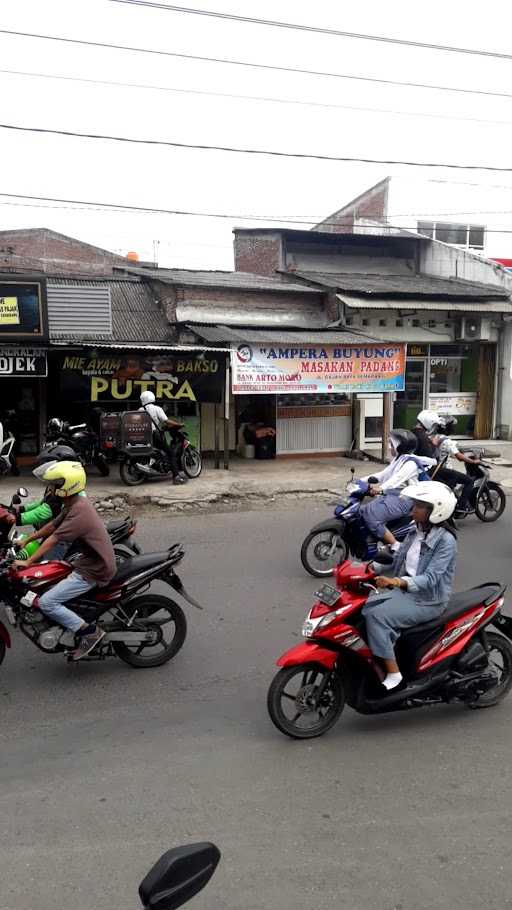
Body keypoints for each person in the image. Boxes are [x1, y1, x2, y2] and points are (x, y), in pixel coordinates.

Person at [12, 461, 116, 661]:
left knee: (47, 602)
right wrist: (27, 539)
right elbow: (51, 526)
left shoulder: (79, 511)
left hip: (95, 569)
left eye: (55, 484)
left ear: (67, 485)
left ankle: (90, 633)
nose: (50, 488)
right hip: (87, 562)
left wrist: (28, 561)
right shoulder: (74, 503)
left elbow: (54, 539)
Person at [362, 481, 458, 691]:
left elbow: (431, 579)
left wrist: (396, 582)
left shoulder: (446, 542)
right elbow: (397, 558)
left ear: (436, 511)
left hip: (428, 599)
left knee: (377, 616)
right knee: (361, 607)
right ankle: (386, 649)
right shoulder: (416, 531)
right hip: (403, 591)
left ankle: (394, 673)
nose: (412, 509)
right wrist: (366, 569)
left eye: (418, 506)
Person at [360, 429, 435, 551]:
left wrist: (380, 488)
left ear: (399, 446)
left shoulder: (410, 463)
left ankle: (395, 544)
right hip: (392, 495)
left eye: (391, 444)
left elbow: (396, 480)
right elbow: (383, 474)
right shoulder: (398, 459)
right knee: (362, 511)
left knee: (371, 515)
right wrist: (360, 481)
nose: (390, 447)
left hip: (404, 499)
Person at [429, 418, 480, 515]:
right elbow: (459, 456)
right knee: (469, 481)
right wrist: (473, 461)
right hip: (446, 471)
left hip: (435, 470)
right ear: (449, 429)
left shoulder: (435, 437)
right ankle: (462, 506)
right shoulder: (447, 441)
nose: (454, 429)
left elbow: (447, 453)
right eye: (453, 427)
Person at [139, 390, 188, 485]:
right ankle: (176, 477)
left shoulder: (140, 410)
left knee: (158, 451)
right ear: (152, 397)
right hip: (154, 435)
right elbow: (166, 421)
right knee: (171, 453)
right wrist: (178, 424)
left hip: (143, 436)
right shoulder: (156, 409)